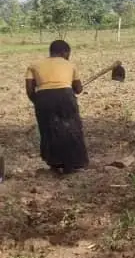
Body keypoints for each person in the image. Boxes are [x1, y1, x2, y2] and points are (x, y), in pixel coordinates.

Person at [25, 40, 88, 174]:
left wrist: (38, 102)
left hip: (43, 98)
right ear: (64, 52)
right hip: (65, 96)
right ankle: (74, 164)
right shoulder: (70, 65)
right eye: (68, 53)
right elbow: (78, 89)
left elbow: (30, 90)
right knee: (71, 128)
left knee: (48, 130)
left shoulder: (34, 66)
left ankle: (54, 162)